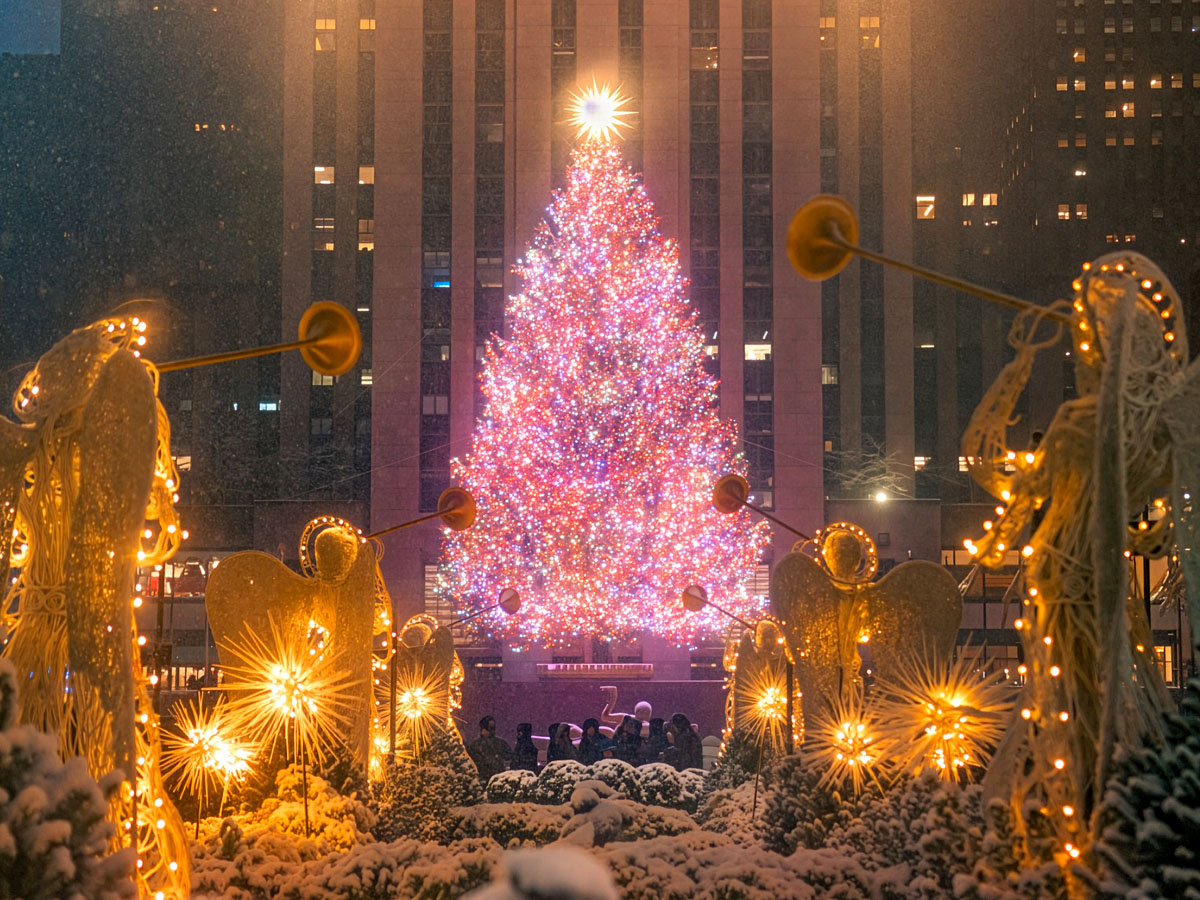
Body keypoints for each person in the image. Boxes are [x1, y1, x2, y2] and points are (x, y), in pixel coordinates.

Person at [466, 715, 512, 783]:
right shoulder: (476, 744)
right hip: (487, 778)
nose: (491, 731)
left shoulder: (499, 743)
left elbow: (509, 756)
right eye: (489, 728)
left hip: (493, 778)